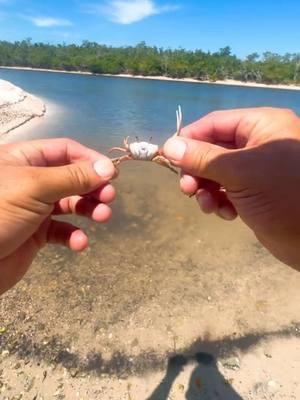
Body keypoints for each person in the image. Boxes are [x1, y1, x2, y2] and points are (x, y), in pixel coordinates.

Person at [0, 107, 299, 295]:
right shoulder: (132, 150)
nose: (135, 148)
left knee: (166, 165)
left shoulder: (158, 153)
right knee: (123, 161)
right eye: (132, 145)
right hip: (139, 158)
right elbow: (122, 151)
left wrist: (179, 159)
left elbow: (168, 161)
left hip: (158, 157)